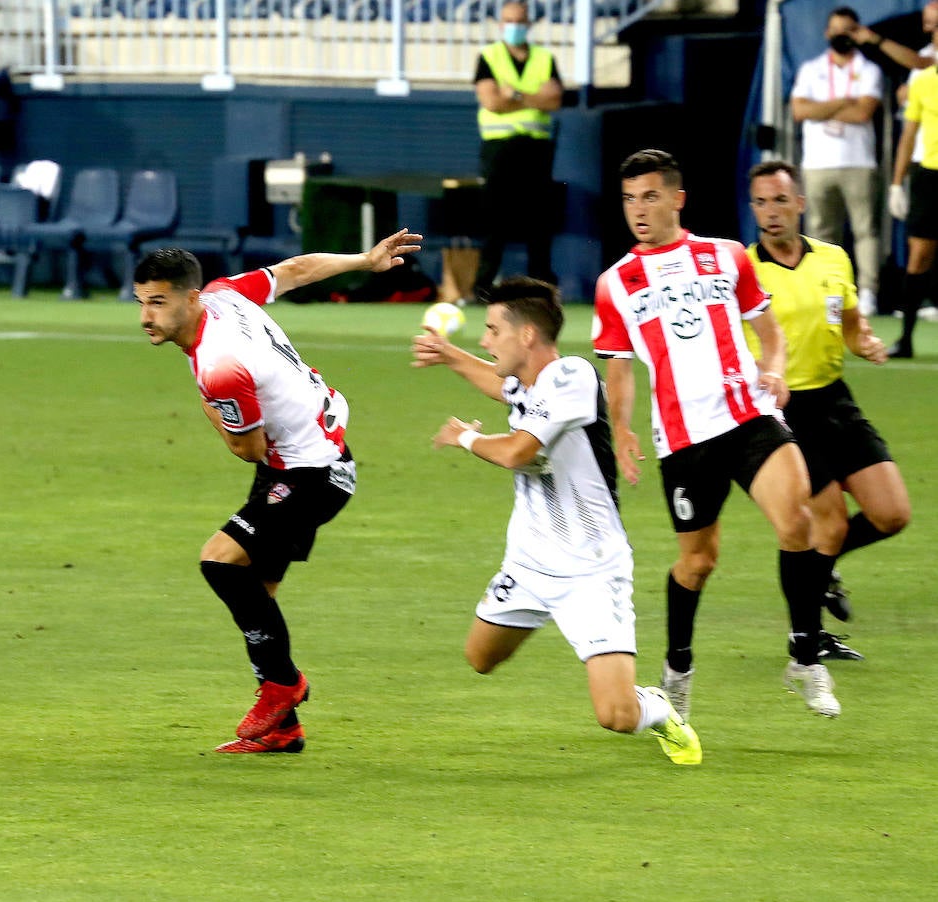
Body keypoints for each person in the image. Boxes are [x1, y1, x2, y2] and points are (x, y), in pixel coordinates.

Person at [132, 229, 422, 753]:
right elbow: (295, 270)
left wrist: (206, 409)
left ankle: (284, 684)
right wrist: (362, 259)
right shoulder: (225, 293)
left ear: (190, 297)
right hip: (309, 455)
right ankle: (284, 728)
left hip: (310, 473)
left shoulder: (219, 368)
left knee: (220, 562)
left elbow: (246, 447)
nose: (146, 316)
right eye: (140, 302)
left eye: (158, 302)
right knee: (257, 597)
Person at [593, 149, 840, 721]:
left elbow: (768, 332)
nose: (638, 209)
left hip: (748, 416)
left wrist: (773, 369)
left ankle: (805, 655)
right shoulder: (615, 283)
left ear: (677, 199)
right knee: (699, 562)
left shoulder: (726, 256)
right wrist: (624, 428)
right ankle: (677, 668)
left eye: (650, 196)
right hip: (684, 438)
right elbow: (620, 367)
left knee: (797, 518)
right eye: (629, 199)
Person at [412, 277, 700, 765]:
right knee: (480, 658)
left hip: (590, 569)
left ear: (526, 336)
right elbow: (501, 387)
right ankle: (550, 618)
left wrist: (465, 438)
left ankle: (657, 707)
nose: (485, 339)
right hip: (527, 563)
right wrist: (449, 355)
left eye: (492, 330)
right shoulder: (528, 384)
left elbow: (519, 451)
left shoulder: (573, 377)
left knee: (616, 715)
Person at [747, 160, 911, 647]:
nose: (770, 212)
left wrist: (868, 343)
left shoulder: (833, 259)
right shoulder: (743, 270)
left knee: (892, 513)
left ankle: (824, 564)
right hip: (783, 412)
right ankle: (807, 637)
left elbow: (852, 324)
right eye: (760, 201)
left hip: (835, 400)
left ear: (800, 203)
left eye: (780, 200)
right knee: (827, 522)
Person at [790, 6, 884, 317]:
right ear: (826, 33)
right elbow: (799, 111)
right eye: (836, 29)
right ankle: (826, 291)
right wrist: (844, 101)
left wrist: (822, 108)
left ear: (857, 32)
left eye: (848, 29)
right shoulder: (810, 69)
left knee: (865, 230)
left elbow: (863, 113)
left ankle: (867, 293)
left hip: (858, 161)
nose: (841, 35)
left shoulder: (868, 70)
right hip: (817, 163)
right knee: (820, 233)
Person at [470, 0, 562, 302]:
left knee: (539, 220)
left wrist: (516, 95)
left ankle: (540, 289)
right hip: (499, 149)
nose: (514, 27)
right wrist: (532, 97)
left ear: (529, 24)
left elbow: (553, 99)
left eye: (519, 21)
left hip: (535, 148)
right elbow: (492, 102)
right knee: (494, 219)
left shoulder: (544, 58)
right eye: (508, 21)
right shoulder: (489, 57)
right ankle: (483, 288)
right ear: (500, 24)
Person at [888, 10, 938, 358]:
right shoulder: (922, 81)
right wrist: (896, 183)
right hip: (929, 176)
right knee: (919, 257)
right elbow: (909, 135)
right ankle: (905, 340)